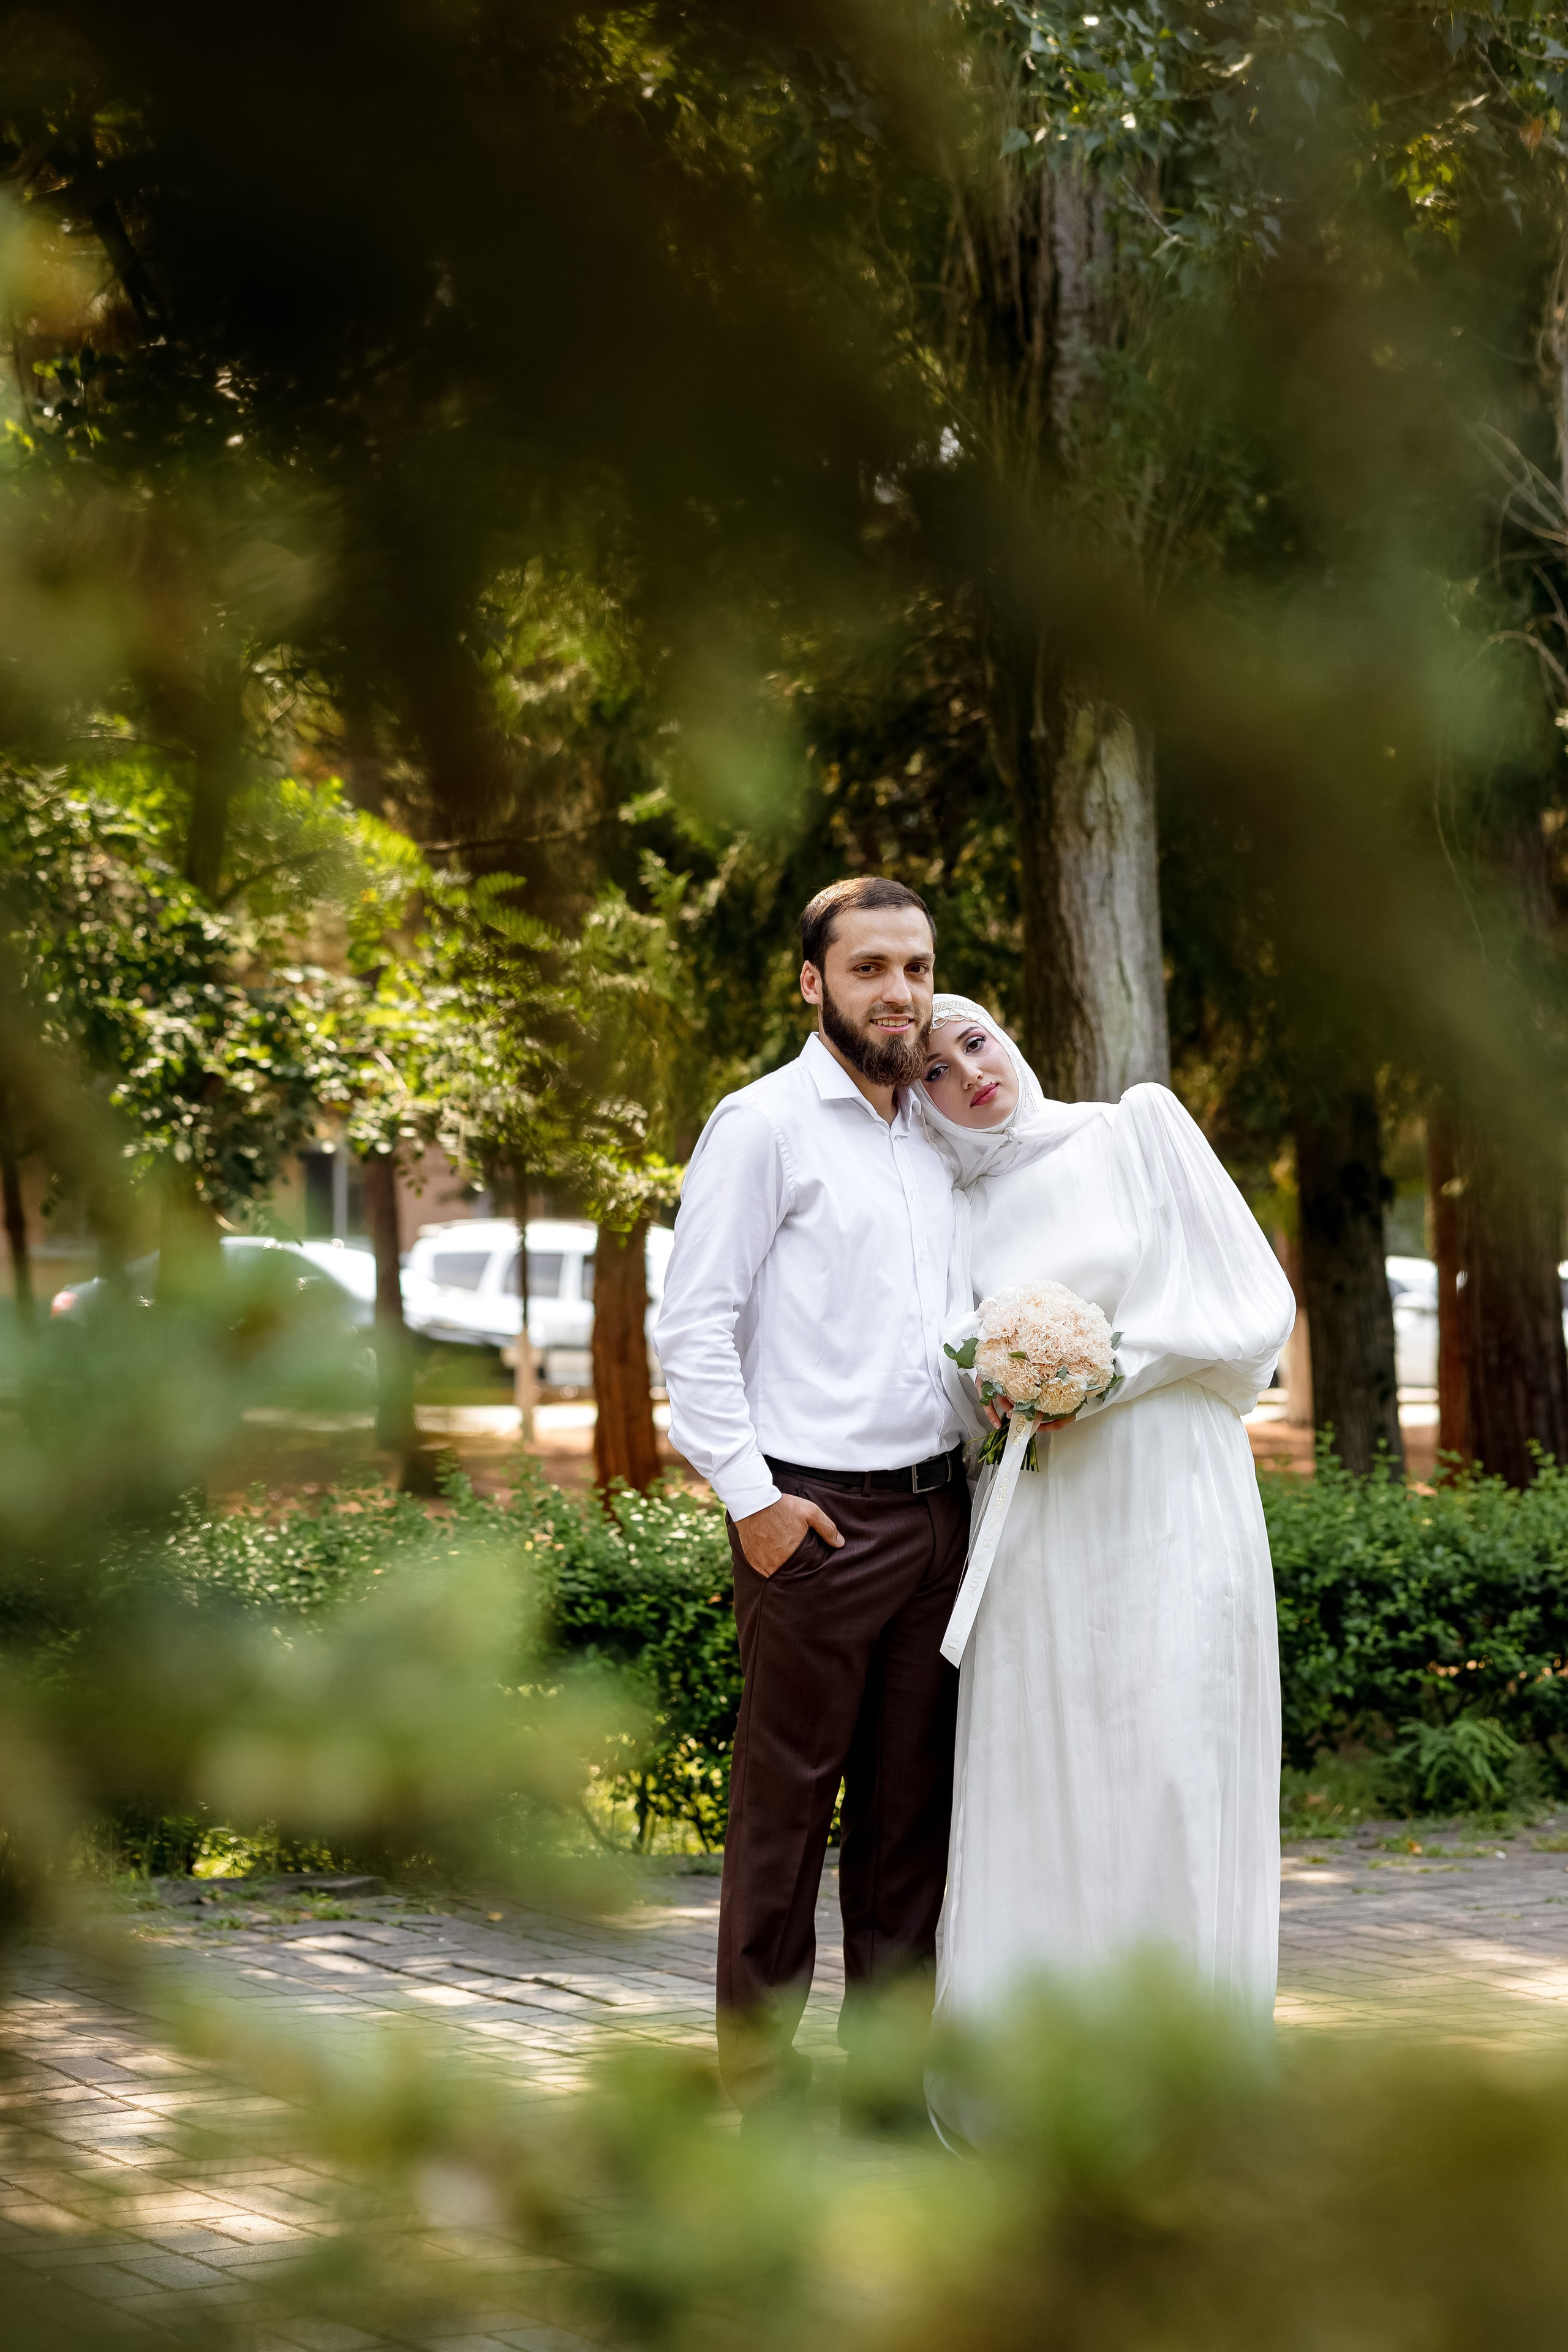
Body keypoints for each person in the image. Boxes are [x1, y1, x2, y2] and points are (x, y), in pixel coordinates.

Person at [914, 996, 1295, 2128]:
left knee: (1174, 1755)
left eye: (972, 1040)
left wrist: (1097, 1374)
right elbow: (945, 1368)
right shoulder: (946, 1208)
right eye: (931, 1071)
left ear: (1004, 1035)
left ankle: (1181, 2076)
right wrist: (1002, 1388)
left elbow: (1251, 1308)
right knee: (1047, 1758)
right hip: (1043, 1510)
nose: (967, 1073)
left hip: (1172, 1484)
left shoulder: (1134, 1128)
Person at [655, 878, 971, 2117]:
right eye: (868, 968)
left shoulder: (936, 1133)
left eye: (915, 968)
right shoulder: (763, 1126)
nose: (898, 992)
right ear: (812, 983)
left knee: (908, 1826)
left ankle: (885, 2089)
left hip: (940, 1519)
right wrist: (755, 1503)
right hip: (816, 1524)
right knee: (784, 1817)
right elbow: (693, 1327)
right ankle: (756, 2089)